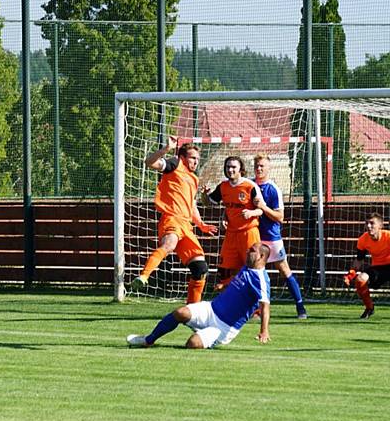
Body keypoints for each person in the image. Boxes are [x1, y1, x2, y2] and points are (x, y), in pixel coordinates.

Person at [127, 243, 271, 349]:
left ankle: (203, 335)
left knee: (192, 344)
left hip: (224, 327)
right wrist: (224, 286)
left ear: (262, 256)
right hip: (211, 309)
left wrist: (264, 331)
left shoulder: (261, 279)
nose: (247, 252)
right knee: (180, 312)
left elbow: (265, 306)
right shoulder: (247, 267)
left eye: (251, 251)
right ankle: (148, 340)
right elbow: (241, 284)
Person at [130, 136, 218, 304]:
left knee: (200, 268)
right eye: (192, 158)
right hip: (172, 219)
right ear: (183, 157)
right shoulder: (174, 165)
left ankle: (192, 310)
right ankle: (144, 276)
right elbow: (149, 162)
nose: (196, 162)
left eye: (198, 159)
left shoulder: (194, 179)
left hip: (187, 225)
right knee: (169, 245)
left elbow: (192, 204)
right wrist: (165, 149)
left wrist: (201, 224)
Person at [252, 153, 308, 319]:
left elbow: (280, 217)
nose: (259, 168)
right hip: (254, 236)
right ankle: (256, 309)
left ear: (268, 168)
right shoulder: (249, 185)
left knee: (284, 270)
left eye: (262, 166)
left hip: (271, 237)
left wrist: (263, 207)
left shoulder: (273, 189)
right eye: (257, 165)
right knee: (255, 272)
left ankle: (300, 307)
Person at [203, 156, 263, 290]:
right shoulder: (223, 187)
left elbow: (261, 210)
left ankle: (256, 308)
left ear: (241, 169)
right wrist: (204, 196)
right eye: (228, 167)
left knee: (253, 269)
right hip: (231, 234)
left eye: (233, 167)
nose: (230, 170)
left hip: (249, 233)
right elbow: (209, 204)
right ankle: (228, 306)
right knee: (225, 272)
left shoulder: (250, 186)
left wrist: (251, 213)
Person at [344, 212, 390, 319]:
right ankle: (369, 308)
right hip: (377, 268)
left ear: (380, 226)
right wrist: (350, 274)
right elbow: (358, 261)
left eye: (372, 223)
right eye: (367, 223)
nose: (368, 226)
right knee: (360, 279)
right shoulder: (363, 240)